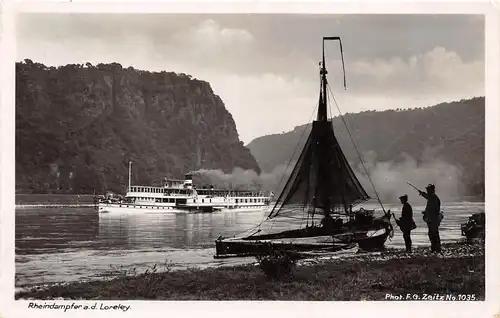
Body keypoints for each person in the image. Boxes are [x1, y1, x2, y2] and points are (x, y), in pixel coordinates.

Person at [419, 184, 442, 253]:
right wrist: (422, 193)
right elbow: (427, 197)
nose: (427, 191)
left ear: (431, 190)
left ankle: (436, 249)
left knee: (434, 234)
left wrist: (426, 213)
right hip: (431, 219)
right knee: (432, 233)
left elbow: (433, 210)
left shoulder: (433, 198)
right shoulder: (433, 197)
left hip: (433, 219)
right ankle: (435, 248)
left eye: (428, 190)